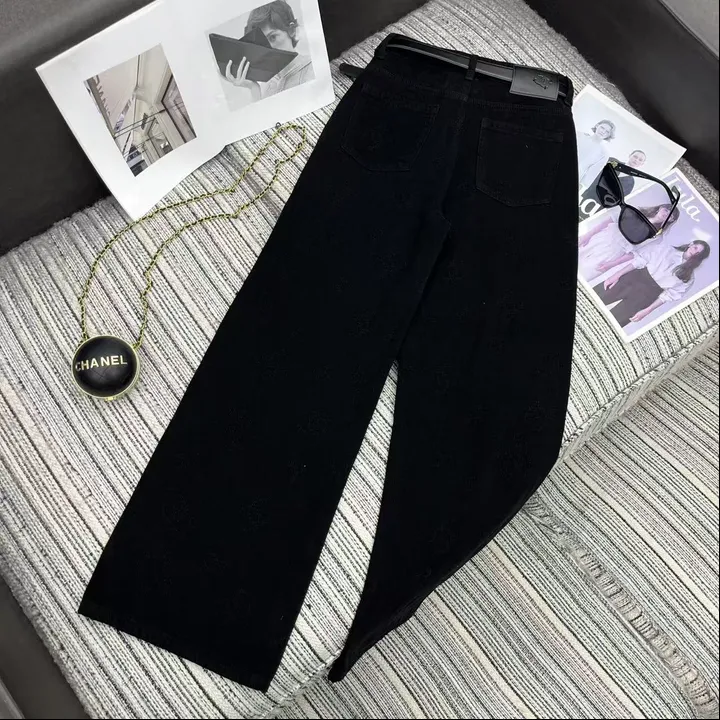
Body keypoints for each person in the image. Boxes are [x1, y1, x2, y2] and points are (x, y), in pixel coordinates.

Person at [592, 240, 711, 327]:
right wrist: (616, 275)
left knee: (614, 322)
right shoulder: (666, 249)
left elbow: (668, 296)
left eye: (699, 253)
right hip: (632, 278)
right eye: (695, 248)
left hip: (647, 296)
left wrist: (647, 310)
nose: (694, 252)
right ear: (691, 244)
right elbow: (639, 261)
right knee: (595, 297)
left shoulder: (688, 277)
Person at [223, 0, 315, 100]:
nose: (267, 49)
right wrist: (253, 88)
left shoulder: (313, 69)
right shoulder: (265, 85)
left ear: (292, 30)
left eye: (273, 37)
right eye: (261, 43)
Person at [578, 202, 680, 282]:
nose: (666, 214)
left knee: (585, 274)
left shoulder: (657, 237)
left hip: (613, 252)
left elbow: (634, 253)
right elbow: (610, 220)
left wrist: (612, 264)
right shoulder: (636, 212)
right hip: (602, 238)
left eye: (670, 216)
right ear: (660, 208)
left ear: (671, 221)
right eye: (666, 210)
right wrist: (588, 235)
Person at [581, 149, 646, 207]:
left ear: (642, 164)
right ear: (630, 156)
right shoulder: (612, 161)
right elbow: (593, 171)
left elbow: (619, 198)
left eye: (640, 160)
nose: (636, 160)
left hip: (598, 205)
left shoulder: (630, 182)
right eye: (635, 157)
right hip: (587, 192)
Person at [576, 119, 616, 189]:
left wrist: (580, 186)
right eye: (602, 128)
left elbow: (593, 172)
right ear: (597, 126)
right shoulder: (579, 136)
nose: (603, 132)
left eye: (607, 132)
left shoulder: (604, 153)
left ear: (609, 135)